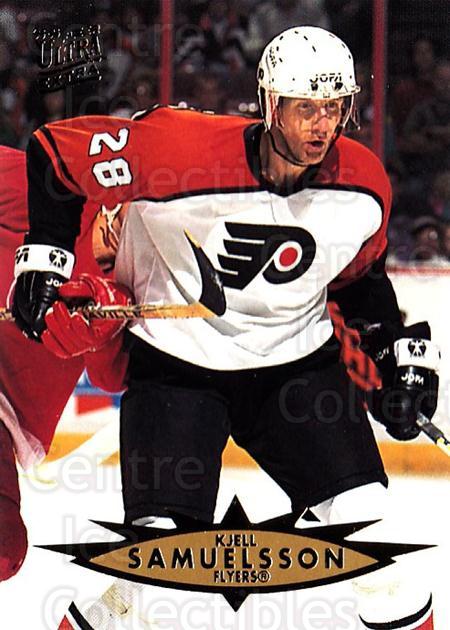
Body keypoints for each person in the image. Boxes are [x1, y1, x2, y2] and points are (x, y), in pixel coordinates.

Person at [12, 27, 438, 629]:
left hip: (295, 373)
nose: (322, 125)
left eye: (335, 107)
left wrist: (395, 355)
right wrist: (44, 259)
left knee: (379, 556)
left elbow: (358, 280)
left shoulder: (362, 184)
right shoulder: (176, 150)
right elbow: (56, 153)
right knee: (143, 574)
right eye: (306, 107)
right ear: (269, 103)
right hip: (176, 374)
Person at [0, 146, 129, 581]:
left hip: (7, 412)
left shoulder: (128, 281)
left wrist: (101, 329)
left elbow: (110, 377)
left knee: (3, 549)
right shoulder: (46, 188)